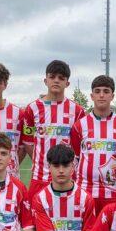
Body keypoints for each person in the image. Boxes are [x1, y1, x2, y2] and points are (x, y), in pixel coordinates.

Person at [21, 60, 86, 198]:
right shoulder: (31, 109)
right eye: (52, 77)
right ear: (45, 80)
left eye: (61, 78)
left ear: (67, 83)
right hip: (40, 178)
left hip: (68, 179)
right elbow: (27, 142)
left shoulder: (78, 111)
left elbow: (79, 146)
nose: (56, 81)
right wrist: (44, 162)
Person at [70, 75, 116, 214]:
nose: (101, 95)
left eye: (106, 91)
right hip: (85, 191)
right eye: (97, 91)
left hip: (113, 192)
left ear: (112, 96)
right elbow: (76, 157)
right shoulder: (79, 125)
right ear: (92, 96)